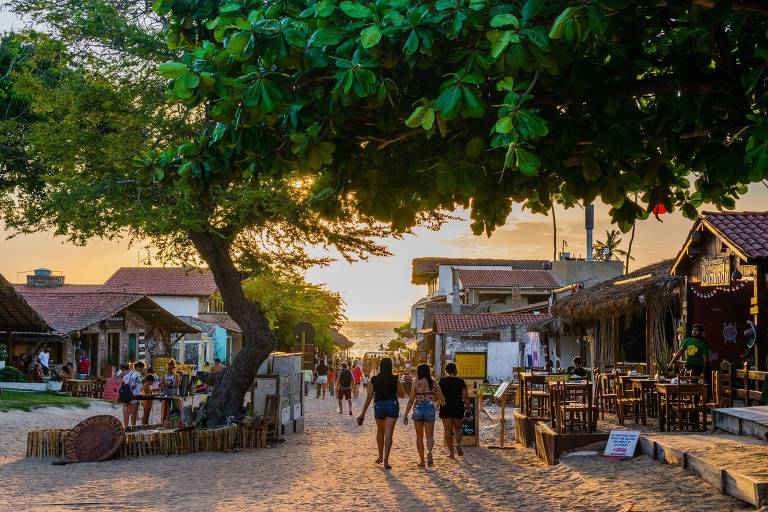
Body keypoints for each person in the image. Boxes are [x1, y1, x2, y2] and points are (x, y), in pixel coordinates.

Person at [358, 358, 406, 470]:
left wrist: (363, 413)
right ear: (390, 366)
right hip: (392, 404)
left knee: (380, 431)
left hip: (379, 405)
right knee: (388, 433)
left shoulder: (373, 379)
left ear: (380, 366)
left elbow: (369, 396)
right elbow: (402, 394)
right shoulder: (395, 379)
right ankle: (386, 461)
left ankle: (380, 457)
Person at [403, 363, 445, 467]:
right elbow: (442, 399)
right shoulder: (433, 383)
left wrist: (406, 414)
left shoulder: (416, 383)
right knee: (429, 435)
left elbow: (411, 400)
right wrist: (437, 400)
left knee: (419, 436)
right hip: (429, 408)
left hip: (418, 408)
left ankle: (422, 461)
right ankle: (429, 452)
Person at [439, 362, 471, 459]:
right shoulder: (460, 381)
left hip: (445, 407)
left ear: (447, 371)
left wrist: (439, 401)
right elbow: (465, 396)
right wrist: (468, 409)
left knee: (448, 431)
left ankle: (451, 453)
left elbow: (438, 394)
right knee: (458, 428)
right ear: (455, 370)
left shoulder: (442, 381)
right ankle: (458, 444)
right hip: (458, 407)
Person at [122, 361, 145, 428]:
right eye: (142, 368)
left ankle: (126, 426)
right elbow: (133, 382)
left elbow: (124, 379)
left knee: (128, 411)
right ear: (138, 367)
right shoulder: (137, 373)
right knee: (133, 412)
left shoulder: (130, 373)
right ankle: (133, 427)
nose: (142, 370)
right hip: (135, 395)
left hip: (128, 394)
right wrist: (132, 386)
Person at [160, 359, 181, 424]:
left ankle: (176, 422)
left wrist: (169, 384)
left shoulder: (176, 375)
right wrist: (162, 385)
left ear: (173, 368)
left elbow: (177, 385)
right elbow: (161, 384)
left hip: (174, 394)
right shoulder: (164, 376)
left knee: (175, 408)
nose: (169, 370)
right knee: (167, 408)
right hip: (167, 394)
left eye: (170, 368)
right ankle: (167, 421)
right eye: (168, 368)